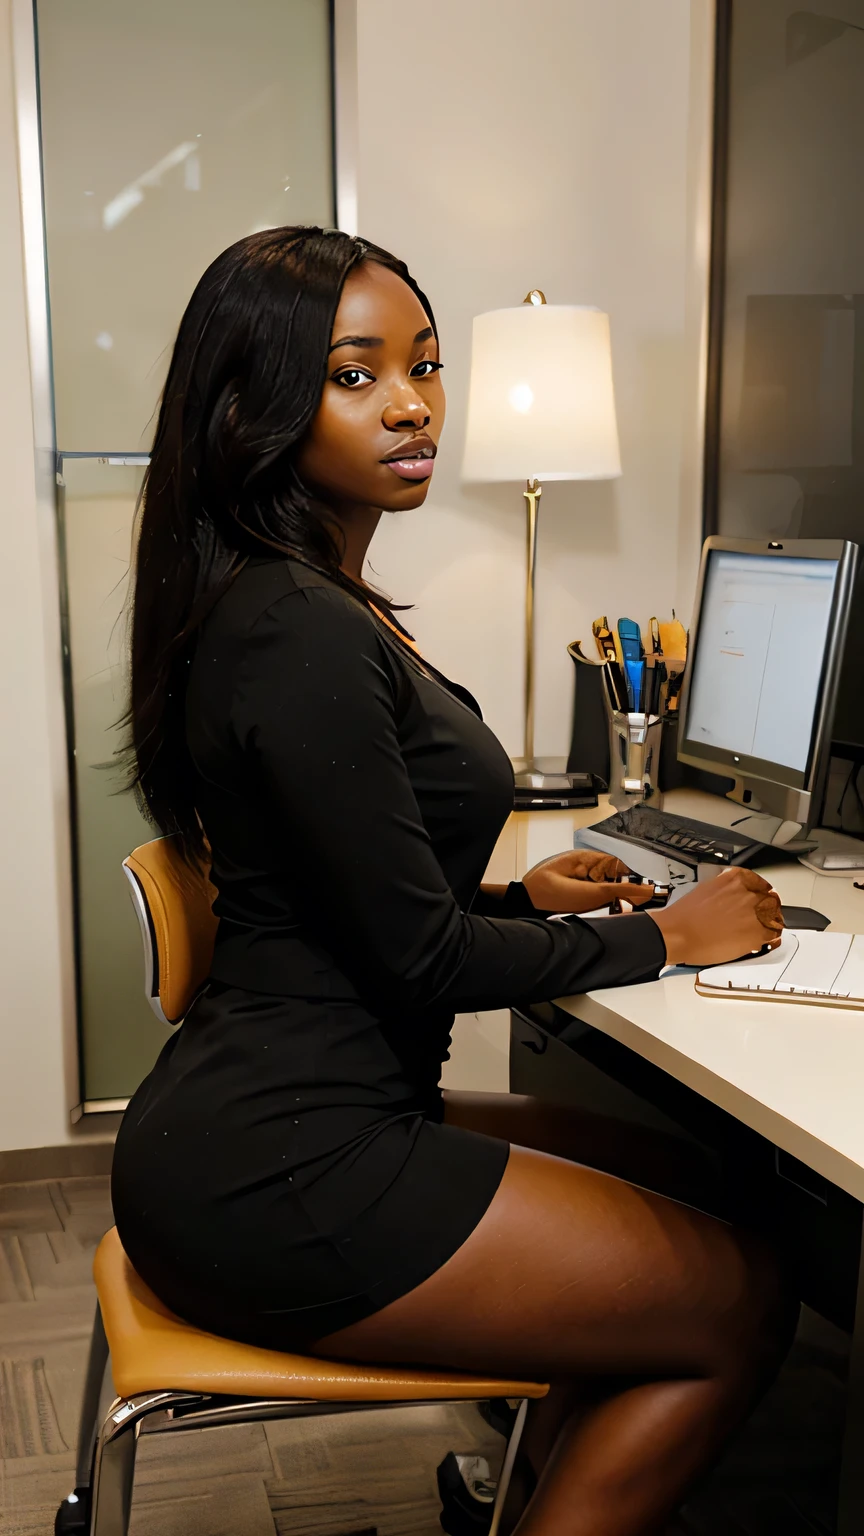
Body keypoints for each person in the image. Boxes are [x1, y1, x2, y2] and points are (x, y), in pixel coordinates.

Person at [112, 227, 795, 1536]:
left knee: (708, 1190)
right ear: (255, 406)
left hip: (300, 1114)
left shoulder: (309, 596)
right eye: (356, 375)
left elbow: (353, 909)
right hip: (283, 1169)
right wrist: (672, 940)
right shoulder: (295, 628)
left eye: (425, 365)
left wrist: (522, 905)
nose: (415, 402)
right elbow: (420, 965)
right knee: (740, 1301)